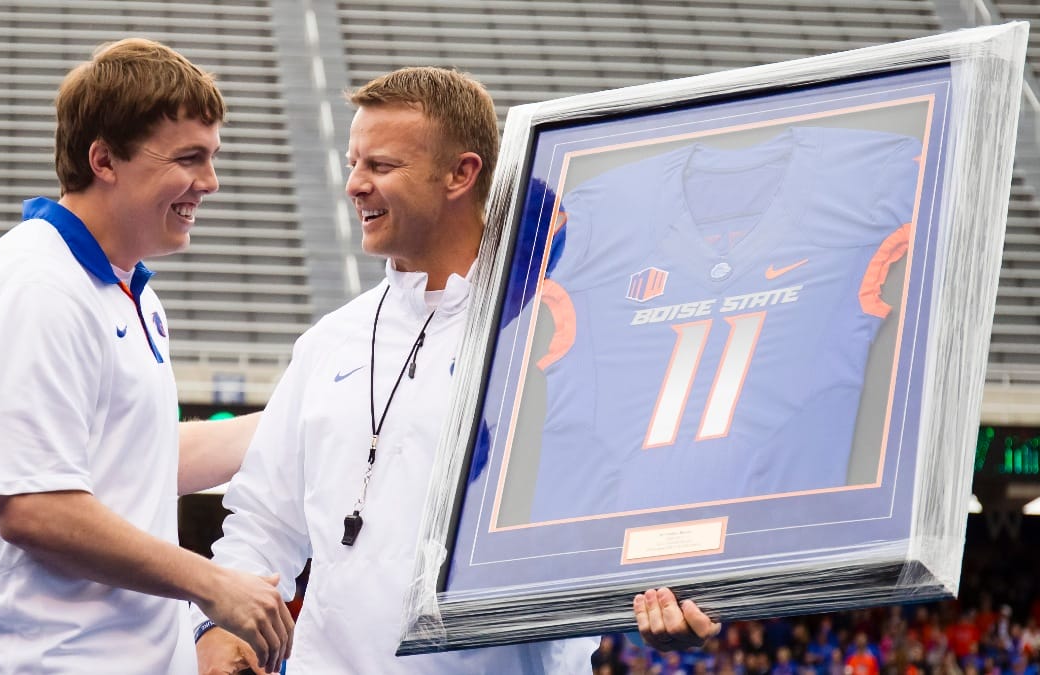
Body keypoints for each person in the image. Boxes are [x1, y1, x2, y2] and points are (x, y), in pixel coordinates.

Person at [194, 65, 717, 673]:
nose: (355, 186)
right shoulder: (328, 343)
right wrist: (220, 625)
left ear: (461, 174)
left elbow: (628, 516)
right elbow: (263, 519)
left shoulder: (557, 342)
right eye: (353, 164)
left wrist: (668, 594)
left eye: (381, 167)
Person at [0, 38, 293, 674]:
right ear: (104, 159)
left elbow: (137, 458)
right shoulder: (37, 286)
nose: (210, 182)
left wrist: (300, 418)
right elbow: (36, 509)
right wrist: (211, 583)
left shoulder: (124, 289)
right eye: (190, 158)